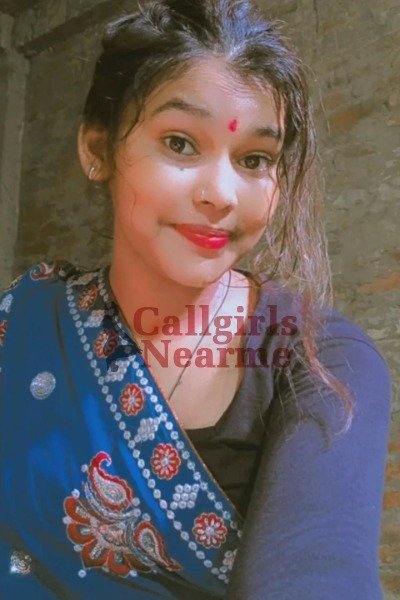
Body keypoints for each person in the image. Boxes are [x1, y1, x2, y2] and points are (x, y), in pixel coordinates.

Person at [0, 0, 391, 598]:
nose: (221, 194)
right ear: (97, 150)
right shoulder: (27, 322)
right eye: (180, 143)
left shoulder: (326, 363)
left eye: (255, 159)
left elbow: (319, 572)